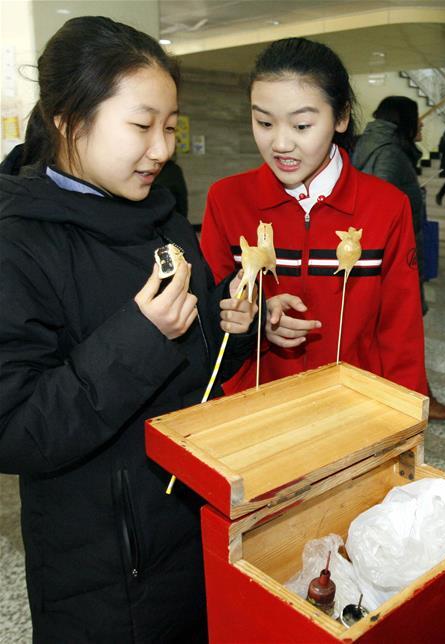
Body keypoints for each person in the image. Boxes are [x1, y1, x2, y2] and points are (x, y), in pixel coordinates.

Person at [0, 17, 258, 641]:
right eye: (141, 126)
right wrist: (142, 335)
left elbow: (192, 372)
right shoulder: (19, 242)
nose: (162, 149)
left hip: (193, 526)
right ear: (66, 118)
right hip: (107, 570)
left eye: (169, 127)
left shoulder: (161, 213)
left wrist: (233, 324)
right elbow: (15, 430)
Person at [201, 38, 427, 397]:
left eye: (302, 125)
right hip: (254, 409)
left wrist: (405, 422)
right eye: (264, 122)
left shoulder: (386, 206)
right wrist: (259, 323)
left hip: (354, 409)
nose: (280, 143)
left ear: (341, 117)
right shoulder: (228, 200)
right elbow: (210, 316)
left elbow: (402, 334)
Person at [353, 96, 445, 420]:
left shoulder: (373, 145)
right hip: (392, 259)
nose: (423, 124)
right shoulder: (388, 153)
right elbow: (381, 207)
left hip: (381, 257)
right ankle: (418, 400)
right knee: (403, 332)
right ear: (404, 121)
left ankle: (417, 397)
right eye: (418, 118)